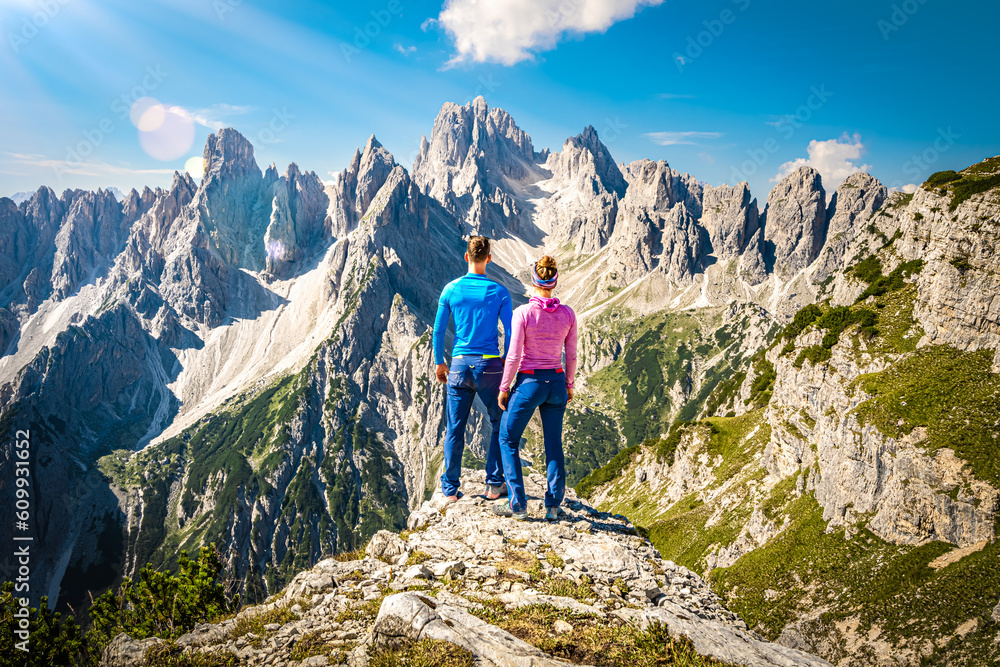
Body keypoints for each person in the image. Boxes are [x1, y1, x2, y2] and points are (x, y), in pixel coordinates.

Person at [494, 256, 577, 521]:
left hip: (529, 382)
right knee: (554, 443)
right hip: (556, 382)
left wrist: (504, 387)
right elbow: (571, 355)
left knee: (508, 439)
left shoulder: (523, 313)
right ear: (554, 282)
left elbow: (514, 356)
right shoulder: (568, 314)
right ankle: (552, 506)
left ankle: (517, 505)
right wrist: (569, 384)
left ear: (533, 281)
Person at [433, 236, 514, 504]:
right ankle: (493, 485)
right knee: (499, 421)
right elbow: (512, 331)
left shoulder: (450, 290)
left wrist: (439, 362)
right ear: (489, 259)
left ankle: (449, 490)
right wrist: (505, 360)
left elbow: (438, 330)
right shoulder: (499, 292)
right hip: (489, 364)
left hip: (457, 365)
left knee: (455, 427)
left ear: (466, 257)